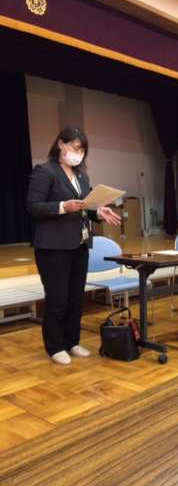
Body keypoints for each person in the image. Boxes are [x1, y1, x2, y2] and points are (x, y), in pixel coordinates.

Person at [26, 126, 121, 365]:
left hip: (79, 245)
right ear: (61, 144)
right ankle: (55, 346)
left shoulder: (82, 176)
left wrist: (98, 212)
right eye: (75, 148)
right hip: (53, 247)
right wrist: (62, 206)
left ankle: (72, 341)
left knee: (76, 297)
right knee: (57, 299)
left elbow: (85, 207)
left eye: (82, 150)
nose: (78, 154)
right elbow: (33, 206)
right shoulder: (45, 171)